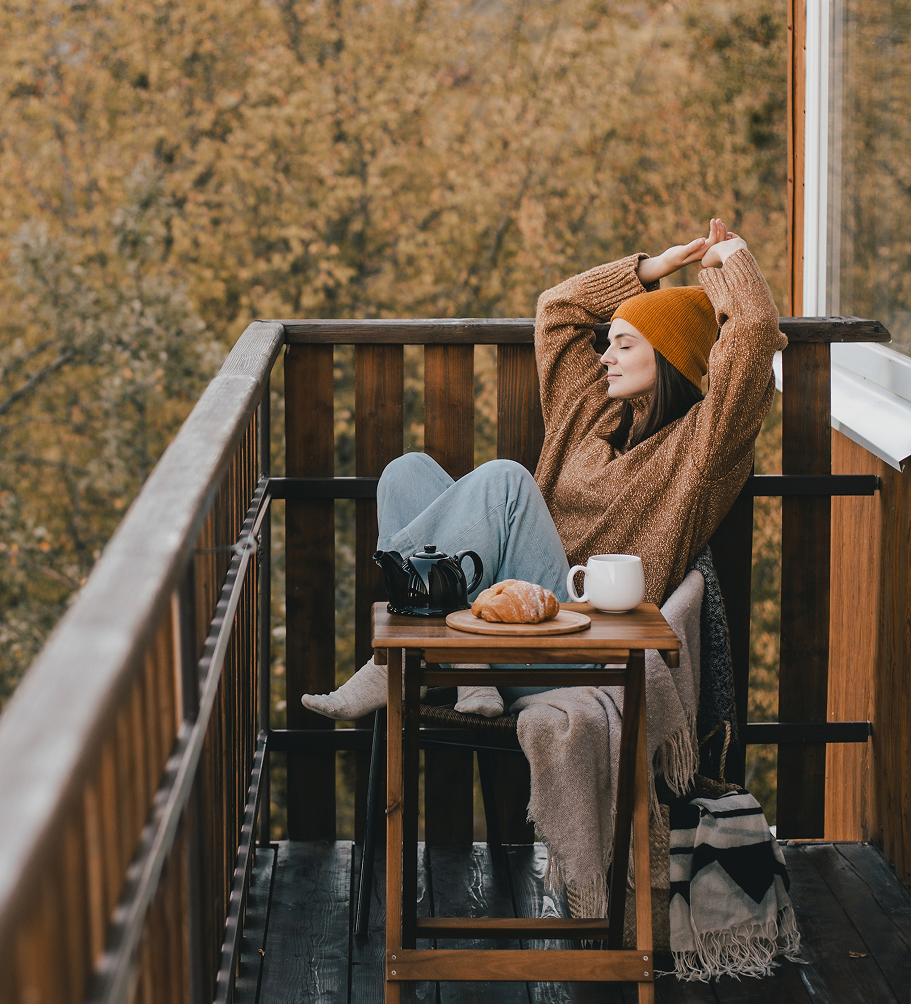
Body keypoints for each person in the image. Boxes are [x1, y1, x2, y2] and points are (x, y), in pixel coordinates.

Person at [302, 219, 784, 720]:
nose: (604, 359)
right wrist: (654, 267)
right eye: (608, 343)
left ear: (669, 359)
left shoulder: (702, 447)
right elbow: (557, 309)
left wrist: (732, 257)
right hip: (507, 619)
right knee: (406, 471)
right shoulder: (587, 413)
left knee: (506, 481)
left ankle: (403, 653)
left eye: (624, 344)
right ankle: (461, 663)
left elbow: (751, 336)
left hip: (577, 646)